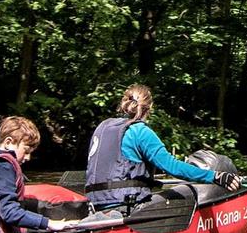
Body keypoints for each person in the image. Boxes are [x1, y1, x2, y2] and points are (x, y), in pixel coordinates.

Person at [83, 84, 234, 208]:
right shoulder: (140, 131)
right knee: (182, 195)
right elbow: (172, 167)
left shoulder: (102, 128)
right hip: (124, 204)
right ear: (150, 107)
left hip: (95, 204)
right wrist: (215, 176)